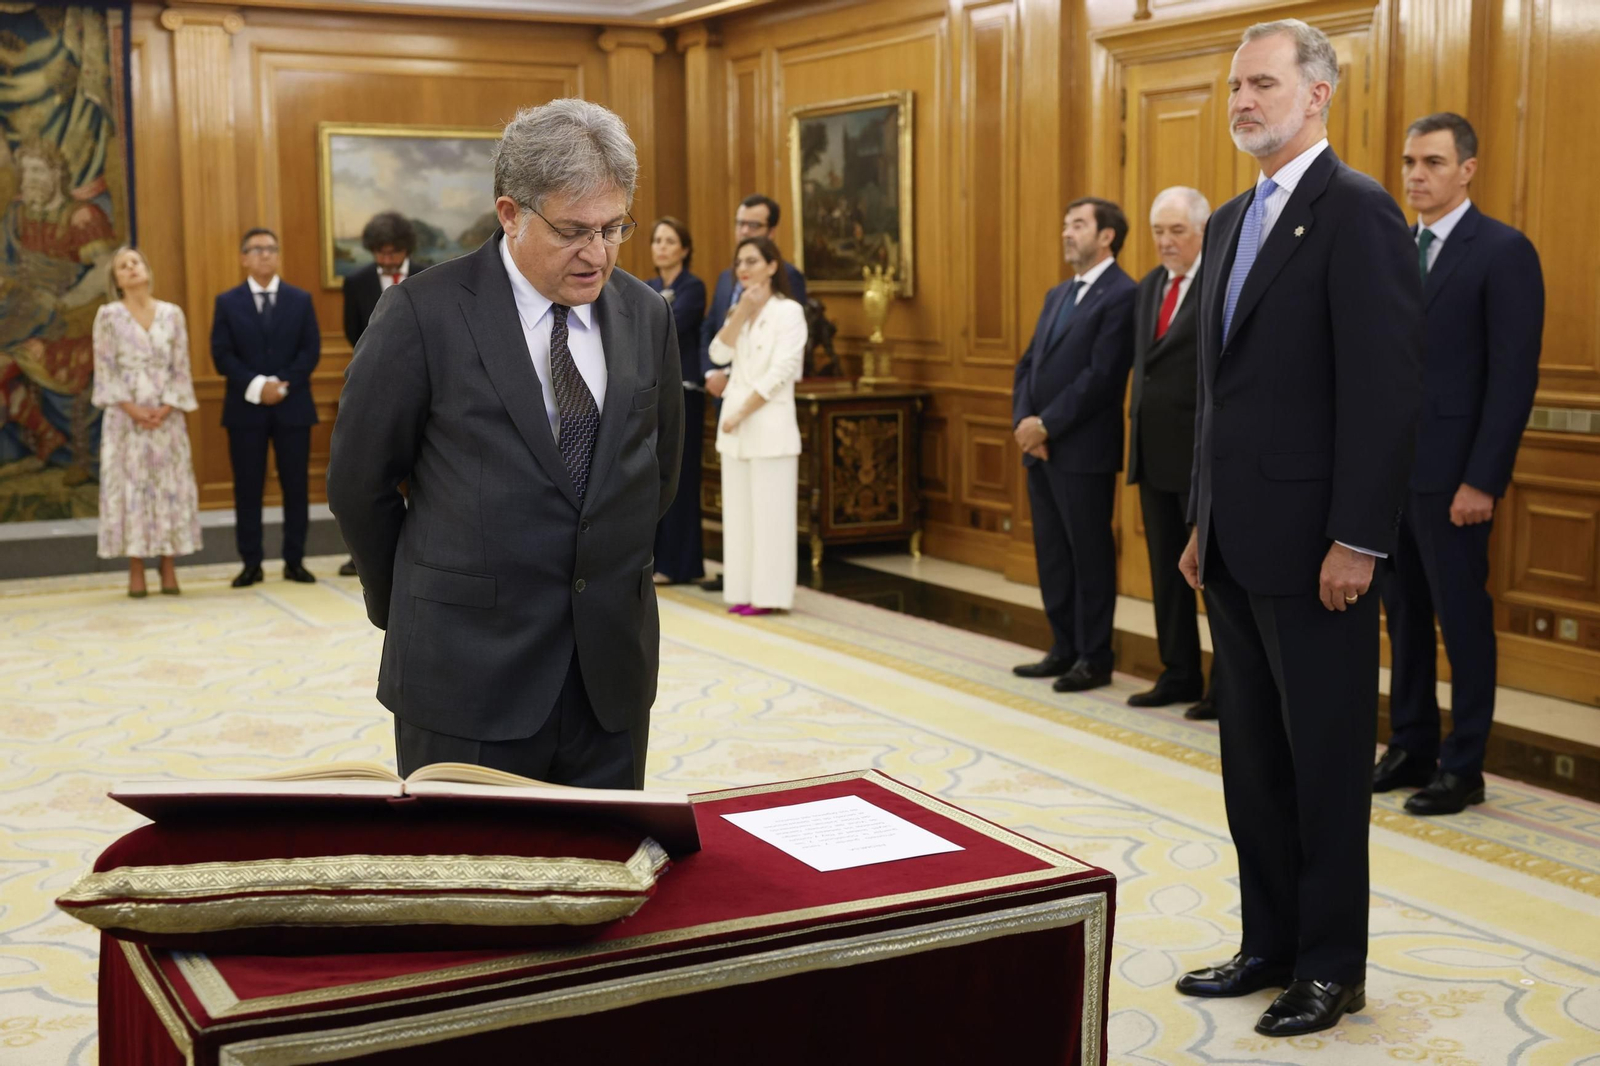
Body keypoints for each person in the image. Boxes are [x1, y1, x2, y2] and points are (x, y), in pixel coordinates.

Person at [1174, 19, 1422, 1037]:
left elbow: (1386, 389)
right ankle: (1266, 941)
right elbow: (1213, 392)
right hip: (1232, 543)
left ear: (1316, 94)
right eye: (1235, 85)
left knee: (1321, 767)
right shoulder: (1229, 220)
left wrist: (1358, 538)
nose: (1243, 100)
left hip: (1320, 549)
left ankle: (1330, 964)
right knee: (1253, 763)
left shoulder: (1357, 212)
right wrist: (1198, 520)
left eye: (1262, 84)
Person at [326, 99, 684, 789]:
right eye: (575, 230)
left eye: (615, 228)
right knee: (469, 886)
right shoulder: (423, 313)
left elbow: (656, 474)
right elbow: (359, 484)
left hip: (608, 673)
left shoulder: (646, 314)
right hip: (464, 674)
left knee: (599, 881)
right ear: (511, 213)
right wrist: (404, 604)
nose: (599, 253)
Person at [1375, 113, 1544, 816]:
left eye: (1434, 163)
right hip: (1387, 478)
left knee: (1462, 623)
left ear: (1467, 169)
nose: (1417, 175)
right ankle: (1411, 743)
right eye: (1411, 162)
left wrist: (1483, 478)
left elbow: (1512, 378)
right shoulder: (1388, 246)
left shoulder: (1502, 251)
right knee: (1403, 618)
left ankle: (1463, 763)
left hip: (1455, 483)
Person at [1010, 198, 1138, 693]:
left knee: (1089, 555)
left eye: (1078, 225)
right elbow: (1027, 365)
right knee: (1053, 553)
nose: (1067, 233)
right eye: (1065, 224)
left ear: (1106, 236)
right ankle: (1062, 646)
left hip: (1083, 450)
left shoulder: (1122, 294)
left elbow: (1102, 377)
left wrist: (1048, 425)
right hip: (1040, 449)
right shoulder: (1057, 293)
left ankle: (1094, 656)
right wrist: (1025, 422)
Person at [1127, 187, 1217, 719]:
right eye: (1158, 231)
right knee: (1166, 572)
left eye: (1176, 231)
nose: (1165, 241)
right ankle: (1178, 672)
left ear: (1203, 232)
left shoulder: (1219, 285)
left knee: (1213, 578)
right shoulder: (1149, 287)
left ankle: (1224, 689)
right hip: (1153, 452)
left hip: (1200, 457)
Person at [698, 194, 807, 593]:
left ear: (772, 265)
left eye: (753, 262)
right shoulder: (740, 308)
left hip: (767, 424)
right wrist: (741, 311)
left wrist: (739, 412)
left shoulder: (788, 311)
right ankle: (741, 592)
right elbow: (717, 352)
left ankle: (771, 594)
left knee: (771, 516)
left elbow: (781, 373)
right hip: (735, 429)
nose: (743, 269)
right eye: (740, 263)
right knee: (739, 518)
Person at [210, 228, 321, 587]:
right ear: (244, 257)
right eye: (257, 250)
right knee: (248, 487)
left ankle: (295, 560)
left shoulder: (300, 300)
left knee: (296, 487)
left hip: (293, 407)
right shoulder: (227, 302)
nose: (264, 255)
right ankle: (251, 563)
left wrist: (282, 384)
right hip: (246, 410)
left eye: (271, 249)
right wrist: (259, 387)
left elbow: (310, 351)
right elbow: (222, 355)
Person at [90, 247, 201, 596]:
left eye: (136, 262)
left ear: (147, 270)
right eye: (123, 266)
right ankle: (135, 567)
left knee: (168, 487)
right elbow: (105, 369)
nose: (131, 268)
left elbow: (181, 367)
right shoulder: (108, 316)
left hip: (166, 419)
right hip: (126, 420)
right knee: (130, 490)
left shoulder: (172, 314)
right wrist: (133, 408)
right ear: (116, 280)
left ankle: (168, 566)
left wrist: (166, 407)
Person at [336, 212, 431, 577]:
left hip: (425, 386)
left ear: (406, 248)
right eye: (380, 253)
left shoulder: (430, 273)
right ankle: (364, 553)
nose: (387, 259)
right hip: (374, 390)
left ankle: (418, 546)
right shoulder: (357, 282)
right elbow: (352, 332)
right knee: (369, 471)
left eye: (393, 252)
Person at [645, 216, 708, 585]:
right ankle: (656, 559)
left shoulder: (693, 287)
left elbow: (668, 326)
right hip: (656, 393)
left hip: (686, 393)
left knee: (682, 479)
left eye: (670, 241)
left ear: (684, 249)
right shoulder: (650, 286)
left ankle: (681, 564)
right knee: (656, 476)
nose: (662, 247)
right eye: (657, 241)